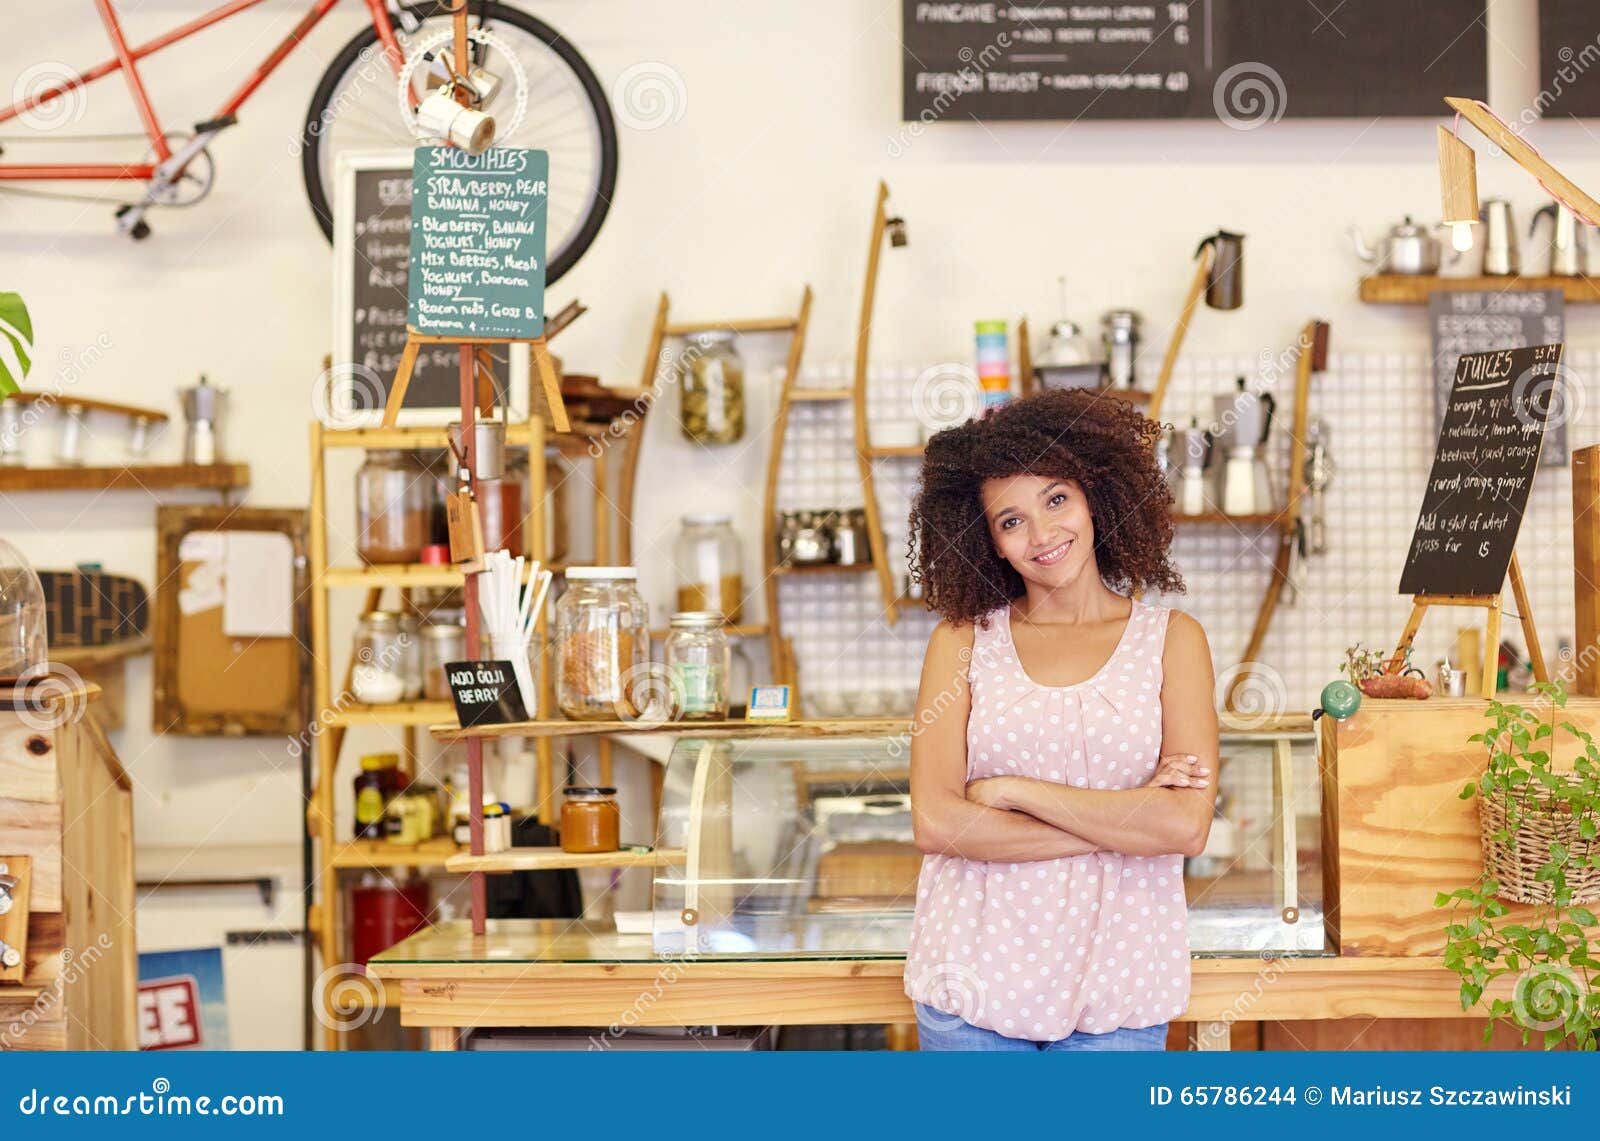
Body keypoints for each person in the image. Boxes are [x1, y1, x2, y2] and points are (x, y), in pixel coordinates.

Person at [901, 388, 1220, 1051]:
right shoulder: (961, 642)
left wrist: (1016, 794)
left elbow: (1185, 826)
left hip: (1120, 990)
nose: (1043, 534)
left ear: (1094, 496)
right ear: (986, 539)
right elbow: (937, 822)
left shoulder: (1174, 640)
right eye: (1010, 520)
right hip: (971, 993)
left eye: (1055, 499)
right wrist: (1128, 821)